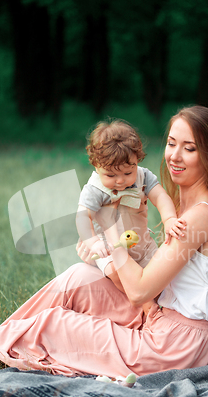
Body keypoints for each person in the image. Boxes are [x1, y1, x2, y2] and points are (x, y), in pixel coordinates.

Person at [0, 106, 208, 378]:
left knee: (54, 324)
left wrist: (112, 239)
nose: (174, 156)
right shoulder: (185, 210)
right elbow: (149, 287)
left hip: (174, 347)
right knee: (77, 278)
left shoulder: (199, 217)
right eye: (171, 143)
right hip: (159, 317)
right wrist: (102, 254)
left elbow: (139, 290)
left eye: (190, 148)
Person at [76, 119, 185, 291]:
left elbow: (160, 197)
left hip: (141, 243)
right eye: (111, 175)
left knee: (162, 273)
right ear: (96, 166)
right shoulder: (94, 189)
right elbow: (83, 217)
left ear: (137, 160)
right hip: (109, 248)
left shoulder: (144, 177)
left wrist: (169, 218)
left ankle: (157, 301)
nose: (120, 181)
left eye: (128, 172)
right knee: (116, 272)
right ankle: (142, 304)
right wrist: (94, 243)